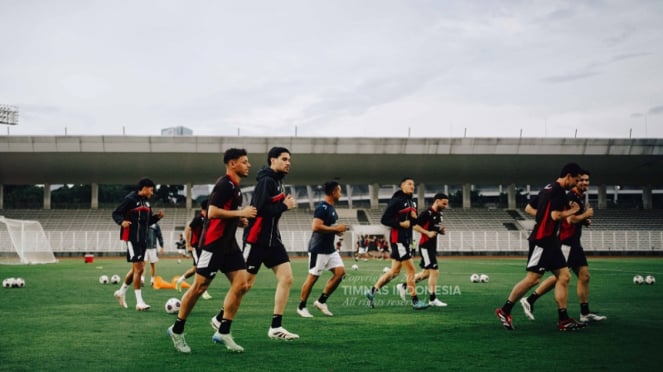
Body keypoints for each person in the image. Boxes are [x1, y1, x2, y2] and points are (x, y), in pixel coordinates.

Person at [167, 148, 257, 353]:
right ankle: (177, 329)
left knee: (242, 284)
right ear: (232, 164)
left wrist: (238, 219)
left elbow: (225, 214)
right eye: (244, 162)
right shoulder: (225, 184)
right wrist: (241, 212)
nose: (248, 165)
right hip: (213, 244)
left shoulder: (236, 188)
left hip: (229, 245)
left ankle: (223, 330)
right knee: (199, 287)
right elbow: (212, 211)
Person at [495, 162, 586, 331]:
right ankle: (504, 310)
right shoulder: (558, 191)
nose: (576, 183)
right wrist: (574, 211)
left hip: (551, 241)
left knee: (564, 276)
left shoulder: (547, 188)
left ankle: (563, 319)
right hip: (542, 240)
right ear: (569, 176)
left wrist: (544, 215)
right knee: (533, 279)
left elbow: (530, 208)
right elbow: (556, 215)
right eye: (576, 179)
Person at [519, 169, 606, 323]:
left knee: (584, 276)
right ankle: (530, 300)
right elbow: (568, 220)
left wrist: (583, 220)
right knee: (560, 277)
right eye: (581, 180)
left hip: (575, 243)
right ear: (575, 180)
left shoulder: (578, 197)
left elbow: (573, 218)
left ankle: (585, 314)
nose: (585, 182)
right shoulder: (570, 196)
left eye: (587, 180)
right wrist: (584, 215)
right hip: (566, 242)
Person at [242, 146, 299, 340]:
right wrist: (284, 205)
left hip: (273, 240)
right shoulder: (266, 181)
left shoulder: (279, 183)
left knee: (287, 278)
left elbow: (273, 207)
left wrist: (284, 203)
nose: (288, 162)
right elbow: (258, 210)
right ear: (272, 160)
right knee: (244, 285)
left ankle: (276, 327)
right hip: (256, 239)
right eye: (284, 159)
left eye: (289, 159)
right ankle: (221, 317)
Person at [365, 177, 429, 310]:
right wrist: (400, 224)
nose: (412, 186)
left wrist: (414, 218)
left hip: (407, 239)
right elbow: (384, 219)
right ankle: (415, 301)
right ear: (402, 186)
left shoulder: (413, 202)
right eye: (409, 184)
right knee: (411, 270)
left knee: (394, 272)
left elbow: (413, 222)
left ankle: (372, 291)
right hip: (398, 240)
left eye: (413, 184)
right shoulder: (396, 201)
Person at [296, 181, 349, 318]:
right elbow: (316, 226)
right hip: (318, 249)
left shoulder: (331, 208)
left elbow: (328, 227)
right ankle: (301, 307)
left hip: (329, 249)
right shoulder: (322, 208)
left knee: (340, 273)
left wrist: (337, 231)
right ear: (333, 192)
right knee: (313, 277)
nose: (341, 194)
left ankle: (321, 302)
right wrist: (335, 229)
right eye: (340, 191)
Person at [112, 177, 164, 311]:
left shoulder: (147, 204)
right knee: (139, 268)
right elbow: (116, 213)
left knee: (137, 268)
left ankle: (121, 292)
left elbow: (148, 222)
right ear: (145, 188)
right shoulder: (130, 199)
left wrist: (157, 217)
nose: (152, 193)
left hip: (143, 239)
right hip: (131, 237)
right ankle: (139, 302)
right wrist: (121, 222)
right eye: (151, 190)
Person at [396, 192, 449, 307]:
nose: (445, 206)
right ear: (437, 201)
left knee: (425, 273)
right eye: (444, 204)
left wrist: (440, 231)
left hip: (432, 246)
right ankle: (432, 299)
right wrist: (427, 233)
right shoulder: (427, 213)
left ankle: (404, 286)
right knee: (435, 271)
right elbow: (415, 226)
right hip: (426, 246)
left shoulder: (440, 214)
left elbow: (432, 228)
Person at [175, 200, 212, 300]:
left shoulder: (208, 218)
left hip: (203, 246)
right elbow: (188, 229)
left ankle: (180, 280)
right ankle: (202, 290)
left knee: (196, 268)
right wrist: (188, 244)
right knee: (201, 268)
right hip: (196, 246)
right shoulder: (199, 218)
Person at [145, 222, 163, 287]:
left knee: (152, 264)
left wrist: (161, 246)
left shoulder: (155, 224)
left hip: (153, 247)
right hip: (143, 247)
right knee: (143, 264)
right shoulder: (143, 222)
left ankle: (152, 280)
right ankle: (142, 279)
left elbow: (159, 235)